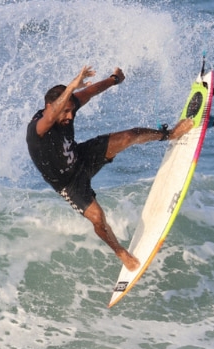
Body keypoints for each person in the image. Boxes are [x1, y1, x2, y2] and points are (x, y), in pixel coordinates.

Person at [26, 65, 194, 271]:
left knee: (129, 136)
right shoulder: (38, 129)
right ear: (49, 107)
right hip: (68, 184)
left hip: (81, 157)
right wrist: (71, 85)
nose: (70, 116)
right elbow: (51, 117)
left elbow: (90, 92)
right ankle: (121, 252)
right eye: (65, 111)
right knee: (98, 218)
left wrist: (114, 79)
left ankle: (171, 134)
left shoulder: (67, 107)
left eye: (71, 110)